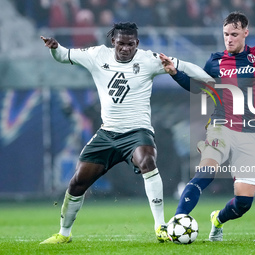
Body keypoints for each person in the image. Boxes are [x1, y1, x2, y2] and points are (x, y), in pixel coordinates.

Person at [40, 22, 214, 244]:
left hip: (137, 132)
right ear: (113, 42)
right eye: (120, 43)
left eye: (130, 44)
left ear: (137, 44)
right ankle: (64, 234)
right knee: (77, 183)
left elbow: (186, 66)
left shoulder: (149, 59)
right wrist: (55, 48)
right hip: (107, 133)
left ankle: (160, 226)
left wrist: (210, 81)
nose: (125, 48)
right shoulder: (96, 55)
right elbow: (64, 55)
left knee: (148, 161)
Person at [161, 11, 255, 241]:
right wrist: (174, 72)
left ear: (245, 33)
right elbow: (196, 88)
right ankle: (176, 221)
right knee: (206, 172)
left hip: (249, 133)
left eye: (234, 34)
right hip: (220, 126)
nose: (229, 39)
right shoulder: (214, 61)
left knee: (243, 202)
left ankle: (217, 220)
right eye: (225, 34)